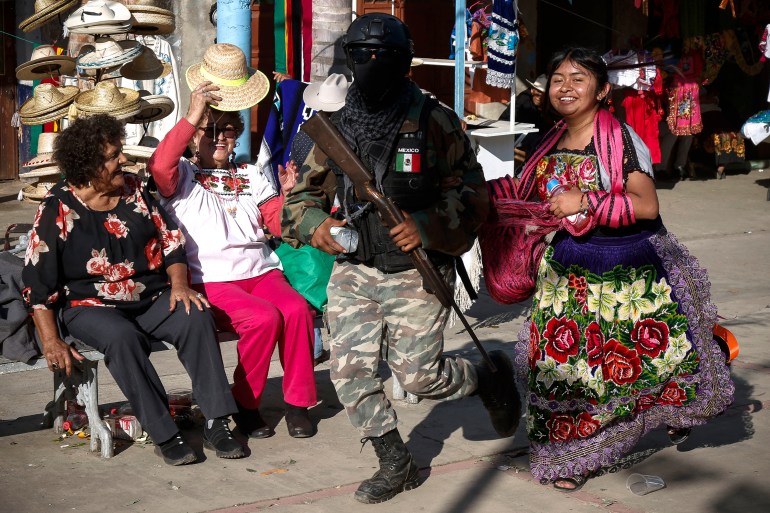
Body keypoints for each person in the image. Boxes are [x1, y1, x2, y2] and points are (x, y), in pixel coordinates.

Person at [282, 13, 520, 504]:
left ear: (404, 61)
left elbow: (475, 196)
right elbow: (298, 202)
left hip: (417, 268)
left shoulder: (434, 120)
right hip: (354, 269)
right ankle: (396, 461)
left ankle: (486, 374)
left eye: (383, 56)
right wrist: (318, 228)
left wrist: (428, 225)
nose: (372, 64)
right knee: (350, 373)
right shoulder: (334, 125)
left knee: (419, 377)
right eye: (362, 54)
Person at [498, 47, 734, 492]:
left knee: (640, 363)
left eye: (578, 78)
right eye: (557, 78)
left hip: (627, 267)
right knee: (564, 367)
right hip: (568, 268)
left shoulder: (622, 139)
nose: (565, 86)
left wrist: (584, 201)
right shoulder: (544, 141)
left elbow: (647, 205)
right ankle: (572, 457)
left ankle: (688, 389)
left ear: (603, 90)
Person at [21, 114, 245, 466]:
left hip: (151, 297)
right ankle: (163, 432)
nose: (122, 161)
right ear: (88, 165)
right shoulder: (56, 208)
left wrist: (180, 285)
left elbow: (171, 241)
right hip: (90, 305)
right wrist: (51, 339)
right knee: (122, 338)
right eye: (113, 156)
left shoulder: (133, 189)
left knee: (195, 314)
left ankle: (217, 421)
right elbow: (38, 285)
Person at [147, 43, 317, 440]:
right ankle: (245, 403)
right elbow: (159, 164)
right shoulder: (183, 175)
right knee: (263, 318)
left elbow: (274, 223)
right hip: (212, 280)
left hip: (260, 272)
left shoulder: (252, 174)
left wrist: (287, 195)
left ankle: (296, 403)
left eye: (227, 129)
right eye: (210, 130)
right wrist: (192, 116)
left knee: (296, 311)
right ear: (193, 137)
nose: (219, 137)